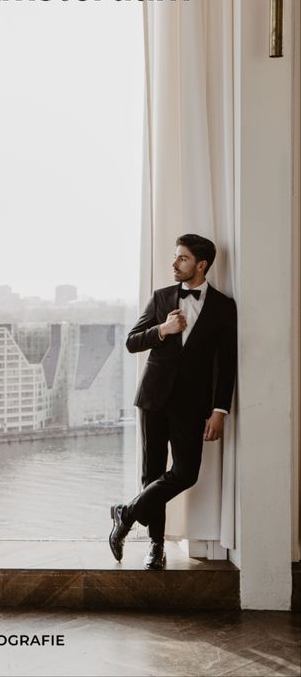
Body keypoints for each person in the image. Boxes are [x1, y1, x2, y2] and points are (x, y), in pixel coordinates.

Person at [108, 233, 237, 570]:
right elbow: (132, 342)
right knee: (152, 474)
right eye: (176, 256)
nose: (174, 263)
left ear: (201, 264)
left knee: (185, 473)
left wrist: (220, 410)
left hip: (192, 406)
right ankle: (156, 546)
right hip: (153, 398)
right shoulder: (162, 297)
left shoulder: (224, 307)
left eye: (182, 258)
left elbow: (227, 364)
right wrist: (163, 330)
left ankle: (127, 513)